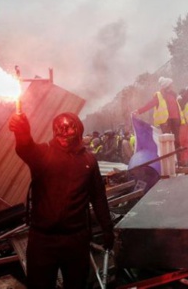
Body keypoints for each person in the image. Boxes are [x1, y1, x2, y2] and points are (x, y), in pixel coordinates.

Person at [8, 112, 114, 289]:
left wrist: (107, 229)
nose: (64, 134)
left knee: (76, 285)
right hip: (43, 240)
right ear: (54, 131)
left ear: (78, 130)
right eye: (59, 130)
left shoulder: (88, 160)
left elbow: (98, 197)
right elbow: (25, 148)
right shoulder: (43, 153)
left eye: (69, 129)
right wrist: (22, 132)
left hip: (76, 240)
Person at [133, 76, 188, 152]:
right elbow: (150, 104)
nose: (172, 86)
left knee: (177, 141)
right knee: (167, 141)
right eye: (171, 84)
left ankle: (178, 161)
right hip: (166, 122)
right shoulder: (159, 95)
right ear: (167, 85)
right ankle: (168, 158)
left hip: (175, 120)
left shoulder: (174, 95)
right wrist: (139, 111)